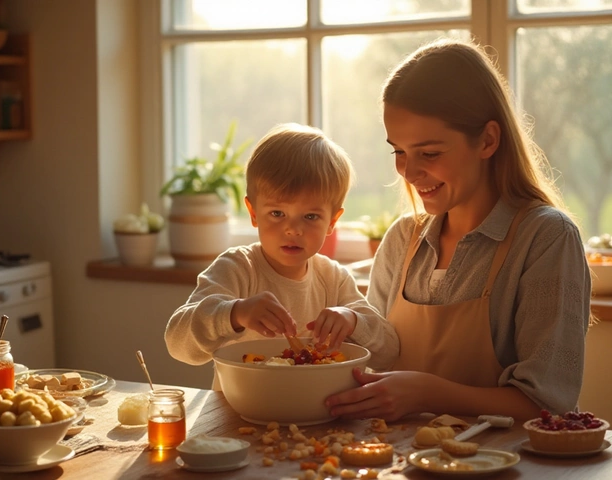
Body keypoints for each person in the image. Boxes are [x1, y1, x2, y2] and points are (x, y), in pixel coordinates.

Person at [324, 38, 591, 422]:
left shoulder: (546, 238)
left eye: (429, 153)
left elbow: (548, 404)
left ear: (488, 140)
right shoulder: (402, 240)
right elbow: (375, 360)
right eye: (398, 151)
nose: (409, 173)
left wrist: (427, 394)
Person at [165, 123, 400, 387]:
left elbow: (389, 353)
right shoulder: (236, 268)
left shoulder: (334, 279)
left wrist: (354, 321)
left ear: (332, 222)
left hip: (319, 416)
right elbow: (177, 343)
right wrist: (234, 313)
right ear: (253, 214)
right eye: (277, 213)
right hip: (237, 417)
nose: (293, 229)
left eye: (311, 216)